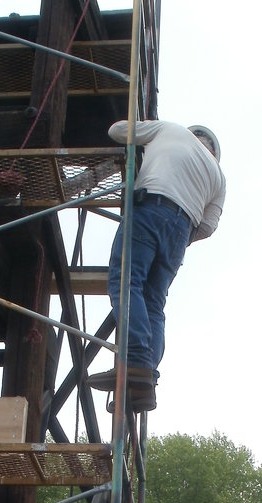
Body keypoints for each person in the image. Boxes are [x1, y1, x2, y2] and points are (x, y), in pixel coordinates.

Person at [88, 120, 226, 412]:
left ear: (194, 136)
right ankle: (145, 378)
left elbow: (116, 130)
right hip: (182, 229)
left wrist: (145, 140)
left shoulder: (171, 130)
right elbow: (209, 226)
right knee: (154, 302)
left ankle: (137, 361)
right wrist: (180, 237)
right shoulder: (218, 177)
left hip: (151, 206)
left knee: (125, 282)